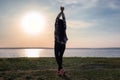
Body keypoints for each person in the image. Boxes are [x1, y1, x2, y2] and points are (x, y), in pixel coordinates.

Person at [54, 6, 68, 76]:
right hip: (63, 43)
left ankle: (61, 69)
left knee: (57, 56)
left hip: (58, 43)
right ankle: (60, 70)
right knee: (60, 57)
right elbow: (64, 19)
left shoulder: (56, 26)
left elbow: (57, 18)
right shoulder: (64, 26)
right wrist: (62, 12)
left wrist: (61, 12)